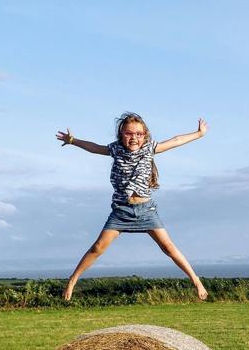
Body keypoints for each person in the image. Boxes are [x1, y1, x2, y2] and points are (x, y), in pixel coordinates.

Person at [56, 112, 209, 301]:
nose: (134, 138)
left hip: (146, 210)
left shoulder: (150, 148)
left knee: (168, 247)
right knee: (97, 248)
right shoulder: (115, 149)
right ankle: (72, 280)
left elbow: (176, 140)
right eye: (129, 133)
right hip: (121, 210)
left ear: (145, 135)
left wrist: (199, 134)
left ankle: (196, 280)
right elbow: (94, 148)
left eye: (138, 134)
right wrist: (73, 140)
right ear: (121, 134)